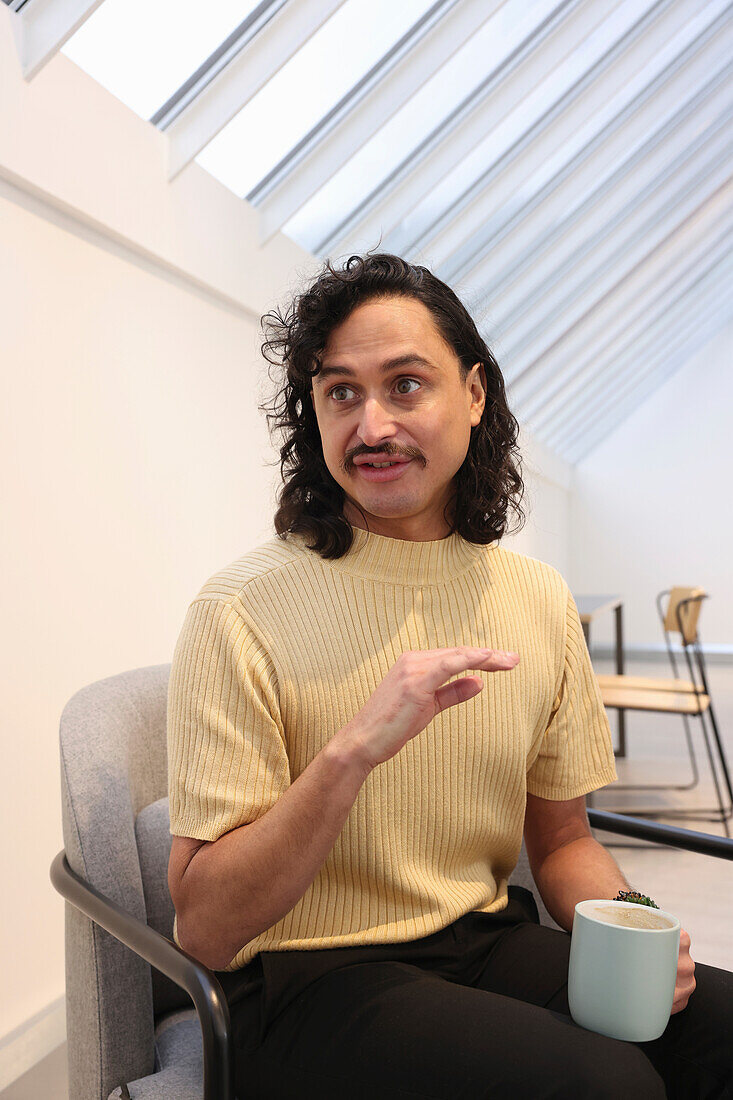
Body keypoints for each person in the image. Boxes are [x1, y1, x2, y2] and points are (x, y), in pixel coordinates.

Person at [166, 253, 731, 1098]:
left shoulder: (534, 597)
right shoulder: (239, 609)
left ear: (472, 395)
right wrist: (352, 751)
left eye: (405, 385)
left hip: (482, 940)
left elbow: (565, 840)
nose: (372, 426)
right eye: (340, 393)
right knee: (606, 1084)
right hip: (304, 983)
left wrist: (637, 929)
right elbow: (205, 928)